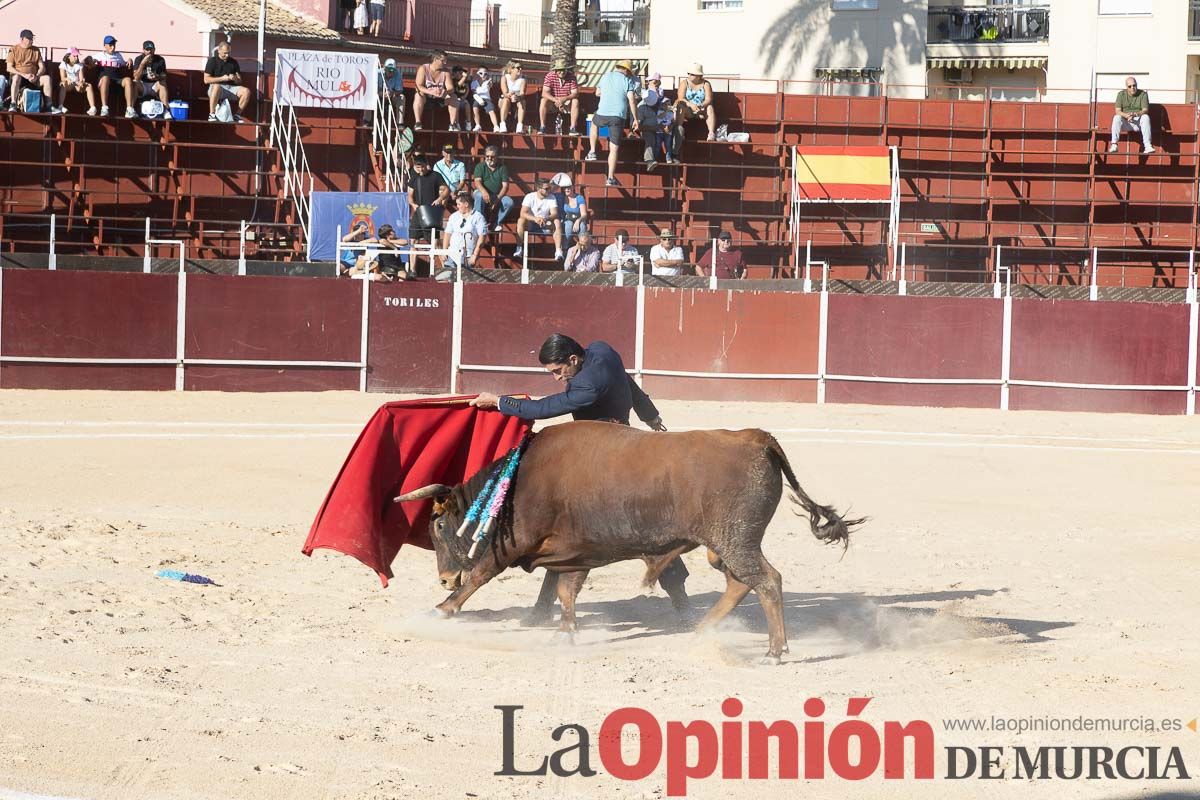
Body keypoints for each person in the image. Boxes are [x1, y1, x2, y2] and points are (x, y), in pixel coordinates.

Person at [469, 334, 679, 626]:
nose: (557, 378)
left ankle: (679, 599)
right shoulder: (602, 350)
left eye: (558, 371)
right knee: (641, 525)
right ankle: (680, 600)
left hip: (601, 456)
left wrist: (500, 402)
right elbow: (629, 383)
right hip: (623, 441)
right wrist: (651, 416)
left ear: (573, 359)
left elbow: (545, 408)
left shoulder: (586, 385)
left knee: (583, 532)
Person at [586, 59, 639, 187]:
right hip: (618, 116)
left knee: (594, 124)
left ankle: (592, 151)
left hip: (603, 112)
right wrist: (635, 119)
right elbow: (631, 100)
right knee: (614, 148)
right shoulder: (627, 80)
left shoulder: (606, 76)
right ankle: (610, 178)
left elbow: (598, 92)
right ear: (626, 70)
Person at [407, 157, 449, 255]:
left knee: (435, 241)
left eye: (422, 167)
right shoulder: (414, 178)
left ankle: (443, 266)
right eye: (418, 167)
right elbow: (409, 196)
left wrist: (439, 199)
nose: (421, 170)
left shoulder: (435, 175)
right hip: (418, 212)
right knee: (413, 241)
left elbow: (446, 190)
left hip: (432, 211)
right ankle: (413, 270)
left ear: (426, 165)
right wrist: (413, 205)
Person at [514, 177, 563, 261]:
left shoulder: (552, 197)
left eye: (550, 188)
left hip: (545, 223)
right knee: (520, 220)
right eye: (546, 188)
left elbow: (554, 213)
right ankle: (519, 249)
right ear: (538, 188)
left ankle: (558, 251)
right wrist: (535, 219)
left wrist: (545, 218)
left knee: (557, 222)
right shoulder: (529, 197)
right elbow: (523, 213)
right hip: (531, 223)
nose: (549, 190)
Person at [7, 29, 53, 113]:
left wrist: (37, 76)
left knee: (47, 78)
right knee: (16, 77)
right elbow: (9, 68)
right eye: (29, 39)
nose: (31, 41)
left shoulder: (36, 50)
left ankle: (49, 106)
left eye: (32, 38)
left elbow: (42, 67)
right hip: (20, 78)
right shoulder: (13, 49)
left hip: (33, 78)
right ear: (22, 39)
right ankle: (13, 104)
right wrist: (24, 75)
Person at [204, 41, 251, 123]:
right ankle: (212, 114)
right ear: (219, 50)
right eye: (225, 53)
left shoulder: (234, 62)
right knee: (216, 86)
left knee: (246, 91)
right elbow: (206, 80)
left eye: (229, 53)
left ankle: (237, 115)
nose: (227, 55)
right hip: (216, 89)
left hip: (231, 88)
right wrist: (222, 78)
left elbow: (239, 81)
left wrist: (235, 78)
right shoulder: (212, 61)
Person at [88, 35, 133, 118]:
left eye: (114, 44)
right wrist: (91, 61)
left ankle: (129, 109)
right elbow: (87, 61)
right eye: (110, 45)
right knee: (105, 78)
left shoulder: (118, 55)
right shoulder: (99, 55)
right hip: (104, 81)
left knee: (128, 80)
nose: (113, 47)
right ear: (105, 46)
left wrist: (130, 60)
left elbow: (126, 63)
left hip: (117, 80)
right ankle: (104, 108)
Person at [471, 144, 513, 231]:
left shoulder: (502, 168)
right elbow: (477, 182)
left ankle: (496, 223)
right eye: (487, 156)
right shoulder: (480, 166)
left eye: (492, 156)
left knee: (509, 202)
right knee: (478, 196)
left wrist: (497, 199)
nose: (489, 158)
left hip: (497, 195)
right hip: (482, 192)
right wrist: (484, 192)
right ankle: (479, 223)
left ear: (497, 157)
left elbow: (505, 186)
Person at [441, 192, 488, 271]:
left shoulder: (478, 217)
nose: (457, 206)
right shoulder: (454, 216)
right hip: (452, 254)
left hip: (468, 256)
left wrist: (475, 255)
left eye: (459, 204)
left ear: (466, 204)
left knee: (465, 280)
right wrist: (444, 251)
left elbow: (482, 237)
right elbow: (447, 233)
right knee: (448, 279)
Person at [413, 50, 457, 131]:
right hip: (426, 98)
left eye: (446, 60)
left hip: (441, 98)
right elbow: (418, 85)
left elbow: (451, 88)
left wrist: (444, 92)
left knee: (454, 97)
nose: (445, 63)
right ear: (435, 59)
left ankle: (452, 124)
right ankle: (418, 123)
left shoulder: (446, 72)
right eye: (443, 60)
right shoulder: (423, 68)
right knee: (418, 95)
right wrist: (431, 92)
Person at [1110, 77, 1154, 155]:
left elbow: (1145, 110)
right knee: (1116, 117)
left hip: (1138, 122)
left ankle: (1148, 146)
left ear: (1137, 85)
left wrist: (1135, 114)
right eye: (1129, 86)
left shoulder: (1143, 94)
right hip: (1125, 122)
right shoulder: (1121, 94)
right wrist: (1126, 116)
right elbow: (1118, 111)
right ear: (1126, 87)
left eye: (1134, 85)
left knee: (1146, 117)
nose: (1132, 88)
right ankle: (1114, 145)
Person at [675, 63, 717, 142]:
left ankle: (711, 133)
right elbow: (681, 98)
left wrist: (701, 105)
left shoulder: (706, 84)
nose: (689, 75)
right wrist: (691, 105)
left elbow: (709, 99)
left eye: (692, 74)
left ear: (699, 76)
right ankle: (679, 132)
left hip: (701, 110)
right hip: (688, 110)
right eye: (689, 74)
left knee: (710, 107)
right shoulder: (684, 83)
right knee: (681, 105)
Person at [539, 58, 580, 135]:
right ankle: (542, 127)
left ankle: (573, 128)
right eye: (559, 70)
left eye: (564, 70)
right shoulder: (549, 76)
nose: (562, 72)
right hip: (553, 102)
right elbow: (544, 93)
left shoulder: (572, 77)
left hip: (566, 102)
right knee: (543, 100)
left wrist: (565, 99)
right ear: (555, 70)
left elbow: (575, 93)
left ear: (566, 70)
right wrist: (556, 100)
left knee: (575, 101)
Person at [131, 40, 170, 119]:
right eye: (147, 49)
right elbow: (136, 76)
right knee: (134, 82)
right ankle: (131, 109)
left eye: (151, 49)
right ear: (143, 50)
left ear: (154, 50)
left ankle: (166, 110)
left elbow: (164, 75)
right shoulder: (139, 59)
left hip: (154, 85)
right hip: (142, 85)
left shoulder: (160, 59)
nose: (149, 51)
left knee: (163, 83)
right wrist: (142, 64)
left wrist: (157, 76)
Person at [57, 48, 97, 116]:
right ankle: (60, 106)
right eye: (74, 56)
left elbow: (81, 78)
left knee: (89, 86)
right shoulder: (63, 64)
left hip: (76, 85)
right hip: (68, 85)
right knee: (63, 84)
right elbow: (62, 78)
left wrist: (81, 82)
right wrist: (67, 79)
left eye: (77, 56)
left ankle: (93, 108)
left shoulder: (79, 65)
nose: (76, 58)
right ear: (68, 56)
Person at [551, 172, 588, 244]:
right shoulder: (561, 197)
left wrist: (578, 221)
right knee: (568, 224)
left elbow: (584, 214)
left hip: (578, 219)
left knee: (582, 226)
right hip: (566, 220)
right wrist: (557, 183)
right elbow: (550, 193)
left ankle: (583, 246)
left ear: (573, 187)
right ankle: (564, 247)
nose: (567, 190)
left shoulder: (579, 198)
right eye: (565, 188)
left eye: (569, 187)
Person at [497, 60, 526, 133]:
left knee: (522, 102)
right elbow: (505, 92)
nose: (520, 69)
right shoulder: (505, 78)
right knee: (506, 100)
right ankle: (502, 124)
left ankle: (519, 126)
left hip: (517, 100)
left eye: (521, 67)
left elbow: (522, 93)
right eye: (518, 68)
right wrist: (510, 95)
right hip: (505, 100)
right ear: (511, 69)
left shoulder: (523, 79)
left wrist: (517, 96)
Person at [469, 66, 499, 132]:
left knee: (491, 110)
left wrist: (489, 83)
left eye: (485, 74)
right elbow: (474, 92)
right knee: (475, 107)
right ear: (477, 73)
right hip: (477, 98)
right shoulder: (474, 83)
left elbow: (490, 86)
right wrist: (479, 99)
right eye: (481, 73)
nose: (483, 75)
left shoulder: (487, 82)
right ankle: (478, 125)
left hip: (487, 99)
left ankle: (496, 126)